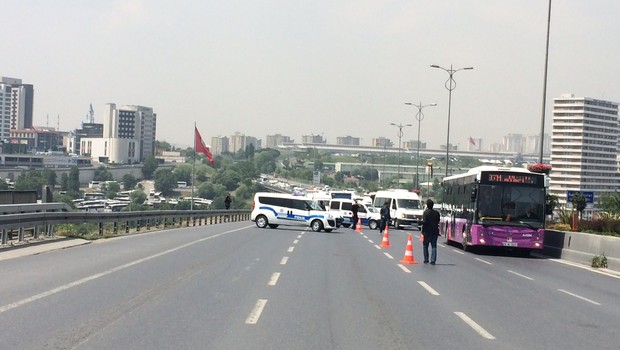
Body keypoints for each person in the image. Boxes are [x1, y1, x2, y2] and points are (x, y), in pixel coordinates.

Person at [421, 199, 441, 265]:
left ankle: (426, 259)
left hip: (426, 231)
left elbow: (425, 222)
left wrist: (419, 222)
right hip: (434, 231)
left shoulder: (425, 213)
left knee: (425, 245)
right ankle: (433, 260)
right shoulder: (437, 213)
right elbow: (438, 221)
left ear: (427, 205)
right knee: (434, 246)